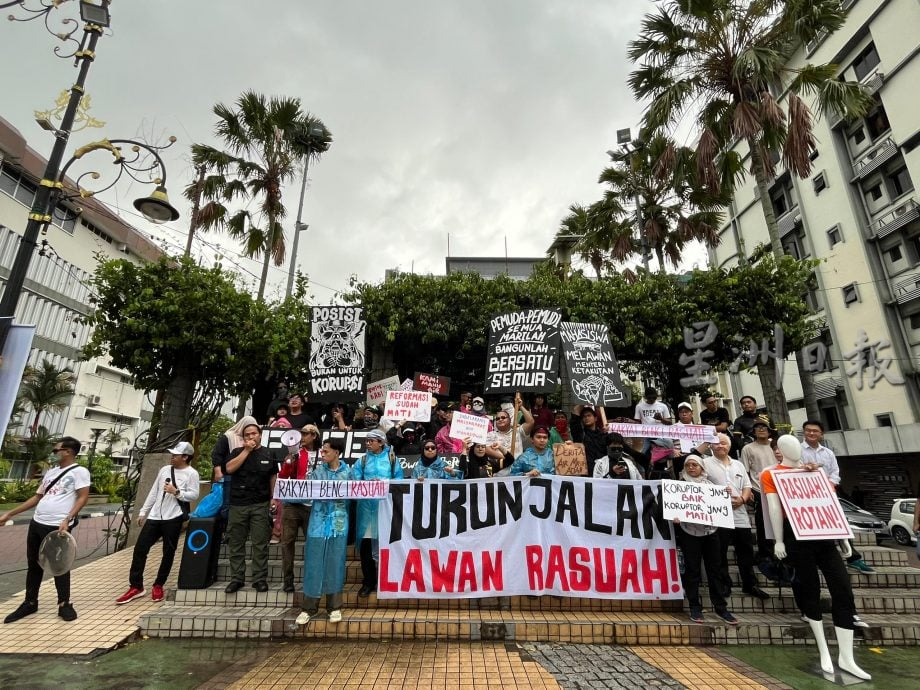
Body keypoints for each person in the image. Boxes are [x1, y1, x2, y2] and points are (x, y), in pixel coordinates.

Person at [764, 436, 870, 680]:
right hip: (795, 534)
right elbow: (773, 508)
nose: (790, 449)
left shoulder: (814, 472)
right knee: (810, 588)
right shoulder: (771, 474)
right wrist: (778, 540)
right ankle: (823, 649)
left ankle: (846, 656)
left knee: (842, 588)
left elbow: (830, 504)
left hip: (825, 533)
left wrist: (844, 537)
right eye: (785, 446)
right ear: (778, 450)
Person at [1, 436, 90, 623]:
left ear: (68, 451)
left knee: (60, 565)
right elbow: (37, 497)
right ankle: (30, 602)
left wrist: (68, 518)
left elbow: (82, 497)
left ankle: (64, 604)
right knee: (34, 564)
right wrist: (11, 514)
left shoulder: (80, 472)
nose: (54, 453)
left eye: (56, 450)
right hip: (37, 522)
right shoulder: (51, 472)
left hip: (58, 525)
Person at [115, 442, 200, 605]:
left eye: (176, 455)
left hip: (173, 517)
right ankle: (136, 586)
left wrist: (176, 492)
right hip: (155, 516)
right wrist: (143, 511)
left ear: (185, 457)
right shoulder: (164, 470)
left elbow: (194, 495)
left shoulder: (191, 474)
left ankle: (158, 584)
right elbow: (154, 491)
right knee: (140, 549)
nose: (172, 457)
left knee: (168, 552)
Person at [800, 420, 874, 574]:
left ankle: (853, 558)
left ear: (821, 434)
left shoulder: (828, 453)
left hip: (828, 494)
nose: (811, 433)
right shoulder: (798, 451)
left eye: (815, 431)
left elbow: (835, 472)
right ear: (803, 432)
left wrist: (831, 484)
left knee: (840, 523)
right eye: (808, 430)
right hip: (805, 496)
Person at [704, 433, 770, 600]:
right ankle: (724, 584)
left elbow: (747, 486)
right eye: (717, 443)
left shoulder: (738, 465)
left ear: (730, 446)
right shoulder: (705, 464)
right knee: (720, 553)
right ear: (711, 446)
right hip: (719, 516)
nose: (720, 446)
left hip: (741, 516)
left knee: (746, 552)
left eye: (724, 443)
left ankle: (750, 584)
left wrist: (742, 499)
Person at [673, 455, 737, 625]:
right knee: (692, 571)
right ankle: (695, 606)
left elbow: (720, 506)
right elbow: (674, 507)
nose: (691, 468)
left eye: (695, 465)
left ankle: (721, 608)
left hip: (711, 532)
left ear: (702, 467)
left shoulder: (711, 486)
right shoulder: (679, 487)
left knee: (714, 570)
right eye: (688, 465)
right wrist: (675, 516)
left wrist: (726, 495)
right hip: (689, 533)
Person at [296, 438, 353, 625]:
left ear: (336, 452)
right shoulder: (317, 472)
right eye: (322, 451)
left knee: (336, 563)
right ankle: (308, 608)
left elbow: (356, 494)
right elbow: (305, 494)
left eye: (326, 451)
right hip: (317, 523)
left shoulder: (349, 473)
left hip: (338, 523)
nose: (323, 454)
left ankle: (334, 607)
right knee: (313, 563)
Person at [222, 423, 278, 593]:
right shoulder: (237, 453)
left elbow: (273, 476)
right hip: (238, 503)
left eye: (253, 434)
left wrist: (273, 497)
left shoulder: (269, 453)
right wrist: (246, 450)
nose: (250, 437)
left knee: (260, 543)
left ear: (260, 435)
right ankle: (237, 578)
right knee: (236, 543)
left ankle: (259, 579)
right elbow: (229, 469)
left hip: (260, 504)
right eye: (247, 435)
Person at [352, 429, 402, 597]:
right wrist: (368, 483)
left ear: (381, 442)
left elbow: (400, 482)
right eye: (367, 441)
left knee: (387, 548)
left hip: (385, 511)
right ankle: (368, 582)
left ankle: (386, 580)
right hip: (366, 512)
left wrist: (384, 483)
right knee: (366, 549)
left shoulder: (392, 460)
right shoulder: (362, 461)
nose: (368, 443)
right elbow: (354, 481)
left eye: (371, 440)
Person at [277, 425, 320, 592]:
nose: (301, 436)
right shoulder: (295, 453)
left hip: (313, 504)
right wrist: (290, 461)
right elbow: (283, 476)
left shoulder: (323, 453)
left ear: (314, 436)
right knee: (287, 542)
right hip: (293, 504)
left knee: (313, 543)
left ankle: (312, 578)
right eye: (301, 433)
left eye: (305, 434)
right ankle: (288, 580)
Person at [211, 415, 259, 527]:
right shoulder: (229, 437)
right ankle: (225, 530)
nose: (250, 435)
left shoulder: (254, 440)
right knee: (226, 503)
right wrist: (218, 471)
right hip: (228, 475)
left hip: (245, 478)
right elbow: (217, 454)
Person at [740, 421, 776, 562]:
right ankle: (765, 553)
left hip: (778, 487)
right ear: (753, 432)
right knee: (762, 522)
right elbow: (745, 471)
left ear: (769, 430)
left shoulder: (776, 446)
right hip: (758, 488)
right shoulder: (747, 448)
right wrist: (749, 491)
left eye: (764, 427)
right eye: (757, 428)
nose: (761, 429)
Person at [488, 396, 533, 466]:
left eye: (503, 417)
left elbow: (530, 422)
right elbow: (486, 449)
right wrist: (508, 458)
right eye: (497, 419)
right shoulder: (491, 435)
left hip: (517, 473)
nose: (500, 419)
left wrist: (521, 406)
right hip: (499, 473)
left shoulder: (518, 432)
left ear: (509, 420)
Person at [569, 405, 607, 475]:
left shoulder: (604, 435)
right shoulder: (580, 435)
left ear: (595, 418)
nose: (586, 418)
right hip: (586, 475)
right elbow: (575, 414)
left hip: (602, 474)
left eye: (589, 415)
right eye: (584, 416)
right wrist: (584, 398)